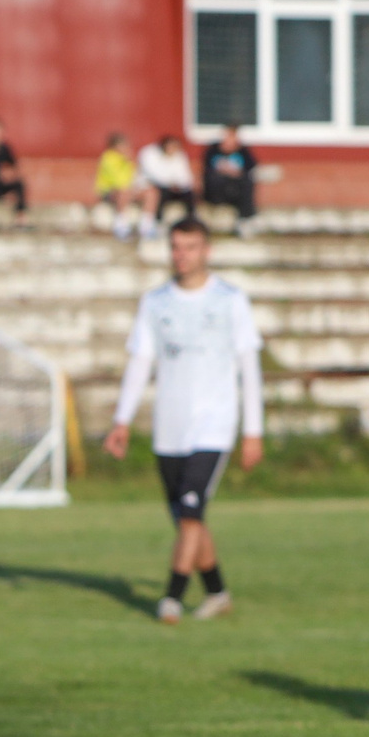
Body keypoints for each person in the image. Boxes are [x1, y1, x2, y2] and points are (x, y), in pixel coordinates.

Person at [103, 216, 264, 624]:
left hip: (214, 423)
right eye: (176, 247)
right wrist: (121, 420)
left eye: (190, 247)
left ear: (206, 250)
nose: (182, 255)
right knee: (189, 518)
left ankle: (171, 598)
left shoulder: (230, 299)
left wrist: (253, 431)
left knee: (191, 512)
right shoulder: (155, 303)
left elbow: (250, 366)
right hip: (169, 428)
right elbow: (141, 362)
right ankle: (217, 592)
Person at [136, 133, 197, 237]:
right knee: (159, 193)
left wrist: (179, 184)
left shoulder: (179, 156)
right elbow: (154, 175)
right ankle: (158, 223)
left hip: (176, 188)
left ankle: (191, 222)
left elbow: (186, 177)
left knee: (190, 194)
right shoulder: (150, 154)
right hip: (157, 187)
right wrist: (170, 182)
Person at [202, 126, 257, 223]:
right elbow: (207, 167)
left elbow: (251, 166)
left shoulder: (243, 151)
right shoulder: (213, 150)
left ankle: (245, 219)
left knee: (247, 182)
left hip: (237, 183)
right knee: (215, 179)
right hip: (219, 184)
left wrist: (236, 172)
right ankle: (216, 207)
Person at [94, 132, 138, 240]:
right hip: (108, 192)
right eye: (123, 145)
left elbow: (135, 177)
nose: (126, 148)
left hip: (126, 190)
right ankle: (121, 225)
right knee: (123, 192)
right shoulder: (108, 158)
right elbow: (117, 181)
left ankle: (148, 224)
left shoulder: (127, 160)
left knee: (151, 192)